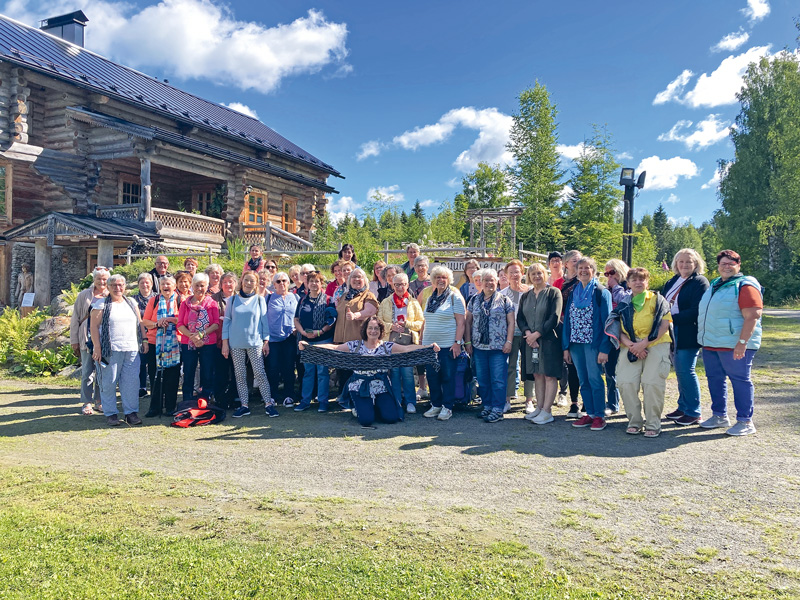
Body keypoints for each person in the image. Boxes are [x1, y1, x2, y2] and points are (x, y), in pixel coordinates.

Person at [300, 316, 438, 428]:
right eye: (370, 328)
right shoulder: (355, 345)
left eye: (376, 328)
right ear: (365, 330)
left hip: (381, 385)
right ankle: (358, 406)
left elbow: (406, 349)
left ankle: (375, 406)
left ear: (381, 330)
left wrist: (428, 347)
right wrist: (310, 346)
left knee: (391, 418)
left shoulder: (386, 346)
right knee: (366, 421)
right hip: (360, 386)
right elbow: (334, 348)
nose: (373, 331)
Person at [696, 250, 763, 436]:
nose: (727, 266)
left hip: (735, 344)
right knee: (715, 379)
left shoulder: (745, 285)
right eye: (723, 263)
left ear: (738, 266)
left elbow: (753, 315)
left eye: (731, 263)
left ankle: (745, 421)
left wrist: (742, 342)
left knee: (740, 380)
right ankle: (719, 416)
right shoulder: (715, 284)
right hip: (712, 343)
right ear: (718, 266)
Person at [607, 268, 672, 438]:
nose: (638, 282)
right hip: (630, 346)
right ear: (628, 283)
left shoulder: (658, 300)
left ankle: (653, 424)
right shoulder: (624, 303)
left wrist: (644, 344)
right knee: (625, 382)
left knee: (652, 384)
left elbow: (664, 325)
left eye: (641, 279)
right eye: (634, 280)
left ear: (647, 282)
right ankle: (634, 422)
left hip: (656, 344)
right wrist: (632, 345)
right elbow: (615, 326)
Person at [89, 274, 148, 427]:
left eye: (120, 285)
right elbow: (93, 327)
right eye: (114, 285)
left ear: (125, 286)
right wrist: (97, 347)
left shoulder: (131, 302)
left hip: (132, 349)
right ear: (108, 287)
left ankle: (131, 413)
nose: (117, 288)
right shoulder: (101, 304)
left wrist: (145, 339)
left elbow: (139, 322)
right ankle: (111, 413)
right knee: (108, 382)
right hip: (110, 350)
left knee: (131, 383)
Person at [562, 257, 612, 431]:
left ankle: (599, 415)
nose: (583, 271)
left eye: (587, 268)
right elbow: (567, 320)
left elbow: (607, 322)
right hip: (576, 344)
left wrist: (604, 349)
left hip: (593, 344)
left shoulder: (600, 292)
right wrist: (566, 346)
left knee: (595, 379)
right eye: (580, 268)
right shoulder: (574, 291)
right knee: (583, 380)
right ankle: (590, 413)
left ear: (594, 270)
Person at [662, 248, 710, 426]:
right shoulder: (673, 280)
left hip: (688, 333)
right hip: (672, 333)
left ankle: (694, 411)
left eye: (688, 262)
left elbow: (696, 311)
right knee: (680, 372)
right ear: (675, 263)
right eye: (681, 261)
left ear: (696, 263)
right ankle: (683, 407)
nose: (684, 265)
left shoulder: (700, 282)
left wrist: (670, 319)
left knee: (686, 371)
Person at [465, 269, 515, 423]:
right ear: (480, 282)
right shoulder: (473, 300)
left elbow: (511, 322)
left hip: (499, 348)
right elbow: (468, 322)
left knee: (498, 380)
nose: (489, 283)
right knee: (483, 379)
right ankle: (487, 405)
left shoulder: (505, 300)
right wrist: (467, 342)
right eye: (486, 280)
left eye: (492, 280)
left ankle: (498, 409)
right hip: (479, 347)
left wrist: (509, 341)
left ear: (497, 281)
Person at [221, 271, 273, 418]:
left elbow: (264, 322)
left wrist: (266, 341)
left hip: (255, 343)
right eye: (246, 280)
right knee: (239, 375)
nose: (249, 283)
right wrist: (225, 343)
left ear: (256, 284)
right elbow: (227, 322)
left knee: (260, 373)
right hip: (236, 343)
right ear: (241, 281)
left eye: (252, 281)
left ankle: (268, 403)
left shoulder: (259, 300)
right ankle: (244, 405)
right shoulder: (232, 300)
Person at [517, 263, 562, 425]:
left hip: (549, 340)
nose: (536, 276)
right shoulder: (526, 296)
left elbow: (554, 317)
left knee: (549, 374)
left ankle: (547, 411)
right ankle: (539, 407)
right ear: (529, 277)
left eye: (539, 273)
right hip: (530, 342)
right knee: (537, 374)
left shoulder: (553, 293)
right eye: (533, 274)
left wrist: (537, 334)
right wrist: (528, 334)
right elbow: (520, 318)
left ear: (545, 274)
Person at [421, 266, 466, 421]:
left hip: (448, 345)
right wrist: (422, 343)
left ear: (449, 280)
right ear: (433, 280)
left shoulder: (455, 297)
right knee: (432, 377)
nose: (441, 280)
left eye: (444, 278)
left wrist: (457, 343)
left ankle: (447, 407)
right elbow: (425, 322)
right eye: (438, 277)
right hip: (429, 347)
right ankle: (436, 404)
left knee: (447, 377)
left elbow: (461, 323)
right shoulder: (429, 299)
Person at [378, 272, 424, 413]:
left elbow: (421, 323)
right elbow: (378, 322)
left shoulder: (413, 302)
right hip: (391, 341)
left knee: (408, 373)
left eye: (402, 284)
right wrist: (391, 326)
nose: (399, 287)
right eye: (397, 284)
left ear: (407, 285)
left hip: (408, 342)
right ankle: (397, 401)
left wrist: (407, 324)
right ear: (392, 285)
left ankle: (410, 402)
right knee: (395, 373)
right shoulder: (386, 302)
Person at [333, 267, 379, 408]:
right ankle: (343, 397)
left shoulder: (368, 295)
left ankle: (356, 399)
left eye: (359, 277)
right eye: (353, 277)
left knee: (356, 372)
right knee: (343, 370)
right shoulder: (345, 295)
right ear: (349, 280)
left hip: (358, 340)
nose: (356, 280)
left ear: (365, 280)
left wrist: (356, 315)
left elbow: (370, 310)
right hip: (341, 339)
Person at [294, 271, 336, 412]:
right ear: (307, 284)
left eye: (317, 281)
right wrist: (303, 332)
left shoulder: (328, 300)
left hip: (323, 340)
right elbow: (296, 319)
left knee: (323, 372)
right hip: (306, 341)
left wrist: (321, 331)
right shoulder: (302, 300)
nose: (314, 284)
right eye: (311, 281)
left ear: (321, 283)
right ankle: (305, 401)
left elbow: (332, 320)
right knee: (308, 372)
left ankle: (323, 401)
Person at [71, 266, 109, 415]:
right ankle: (86, 402)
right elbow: (75, 318)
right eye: (99, 278)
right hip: (86, 338)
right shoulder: (84, 295)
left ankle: (100, 401)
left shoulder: (110, 294)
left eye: (105, 279)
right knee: (87, 371)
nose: (102, 281)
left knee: (102, 371)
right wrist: (74, 339)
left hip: (104, 339)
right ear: (94, 279)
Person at [141, 275, 181, 417]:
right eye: (163, 283)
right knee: (155, 375)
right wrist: (157, 324)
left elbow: (182, 320)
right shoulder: (154, 300)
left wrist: (169, 320)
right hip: (154, 343)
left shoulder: (180, 300)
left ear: (174, 286)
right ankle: (155, 407)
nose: (166, 286)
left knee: (172, 376)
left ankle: (171, 406)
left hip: (175, 343)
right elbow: (145, 321)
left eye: (168, 284)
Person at [177, 273, 220, 403]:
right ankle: (187, 399)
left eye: (202, 285)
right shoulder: (185, 303)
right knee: (189, 371)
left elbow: (216, 324)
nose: (199, 288)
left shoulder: (212, 303)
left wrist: (201, 335)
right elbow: (180, 324)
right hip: (188, 342)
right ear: (192, 286)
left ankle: (205, 398)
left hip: (208, 343)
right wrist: (192, 336)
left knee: (207, 371)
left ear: (206, 287)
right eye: (197, 285)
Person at [501, 259, 532, 413]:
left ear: (522, 273)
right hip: (510, 335)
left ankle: (529, 400)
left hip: (529, 335)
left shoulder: (530, 291)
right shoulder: (501, 295)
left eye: (517, 272)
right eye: (511, 272)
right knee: (510, 366)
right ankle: (507, 398)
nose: (514, 275)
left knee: (530, 366)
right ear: (506, 275)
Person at [265, 271, 299, 408]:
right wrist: (265, 340)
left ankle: (288, 395)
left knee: (289, 368)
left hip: (290, 338)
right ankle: (272, 395)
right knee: (273, 368)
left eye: (284, 281)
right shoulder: (268, 299)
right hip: (272, 339)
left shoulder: (295, 297)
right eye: (278, 281)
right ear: (274, 284)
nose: (281, 284)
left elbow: (298, 316)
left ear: (288, 283)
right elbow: (263, 320)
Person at [602, 258, 631, 416]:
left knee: (627, 373)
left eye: (611, 272)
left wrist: (616, 287)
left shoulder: (628, 286)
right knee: (610, 371)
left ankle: (630, 405)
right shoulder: (607, 289)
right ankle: (612, 403)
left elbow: (626, 302)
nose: (609, 276)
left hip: (628, 336)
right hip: (611, 336)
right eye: (606, 273)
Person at [559, 250, 583, 415]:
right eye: (574, 260)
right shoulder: (561, 283)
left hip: (582, 328)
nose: (577, 263)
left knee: (585, 368)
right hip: (565, 327)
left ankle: (587, 403)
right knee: (571, 366)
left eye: (579, 260)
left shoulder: (583, 282)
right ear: (566, 263)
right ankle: (574, 403)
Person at [211, 271, 238, 409]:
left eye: (231, 281)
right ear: (221, 284)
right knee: (220, 372)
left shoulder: (240, 298)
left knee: (236, 372)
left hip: (237, 342)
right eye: (225, 282)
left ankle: (233, 398)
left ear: (235, 284)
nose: (228, 284)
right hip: (218, 342)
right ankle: (220, 399)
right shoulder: (213, 299)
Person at [134, 273, 156, 399]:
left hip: (154, 333)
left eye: (147, 282)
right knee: (141, 362)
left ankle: (155, 387)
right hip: (138, 334)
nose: (145, 285)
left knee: (154, 362)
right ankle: (141, 387)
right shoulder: (133, 299)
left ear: (152, 284)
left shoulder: (157, 298)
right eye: (142, 282)